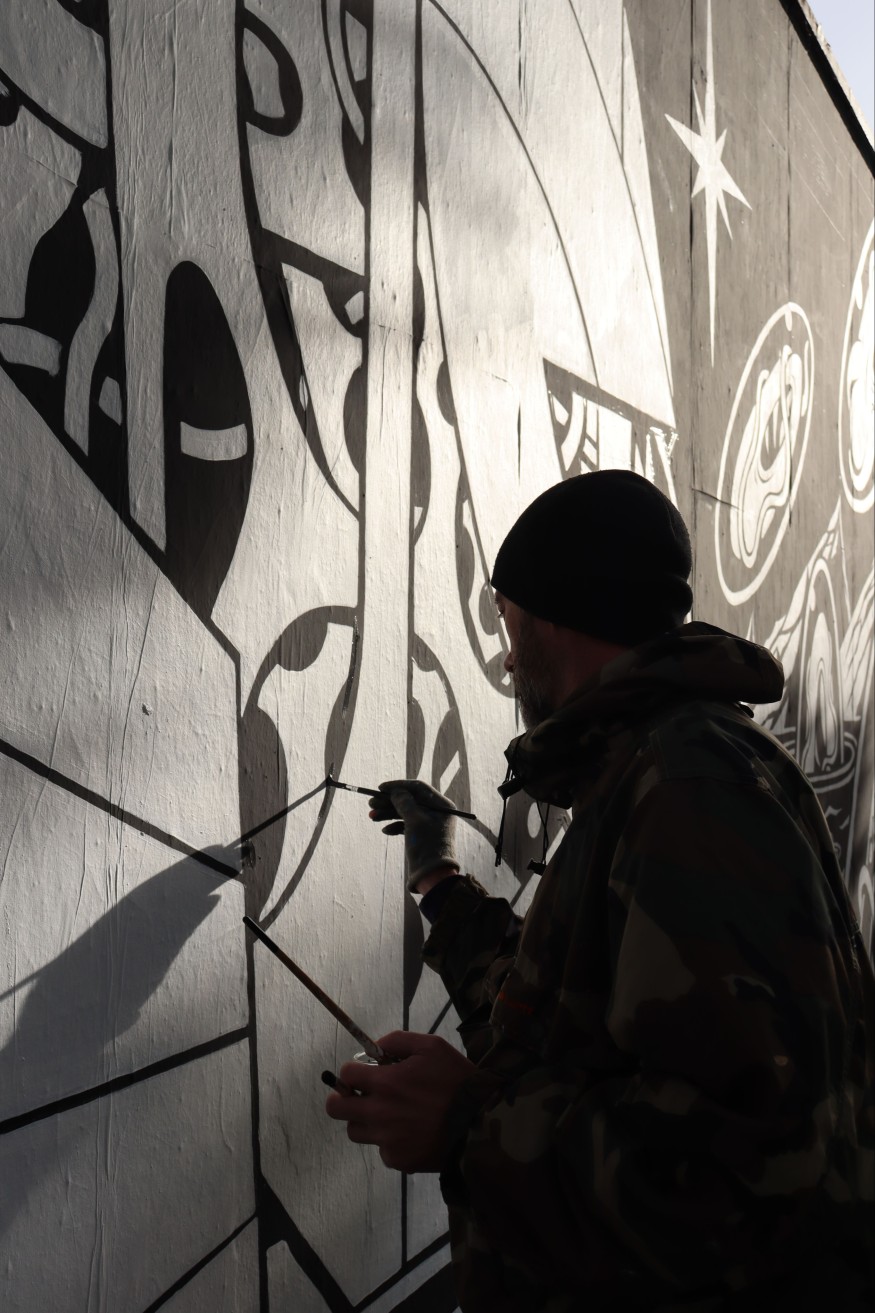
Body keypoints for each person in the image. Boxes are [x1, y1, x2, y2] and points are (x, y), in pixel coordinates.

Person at [324, 470, 874, 1311]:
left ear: (554, 615)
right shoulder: (658, 768)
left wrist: (468, 1124)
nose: (508, 657)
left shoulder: (688, 787)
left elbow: (743, 1175)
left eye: (507, 621)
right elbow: (562, 1018)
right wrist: (438, 879)